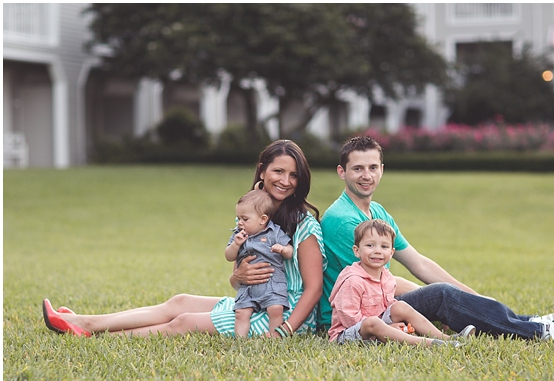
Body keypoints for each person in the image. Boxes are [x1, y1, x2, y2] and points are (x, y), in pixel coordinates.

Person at [319, 135, 554, 341]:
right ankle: (538, 330)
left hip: (382, 306)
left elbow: (419, 263)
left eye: (372, 167)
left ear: (382, 169)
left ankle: (527, 320)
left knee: (450, 295)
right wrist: (448, 298)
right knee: (442, 295)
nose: (366, 176)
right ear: (342, 172)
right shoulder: (343, 219)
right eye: (357, 169)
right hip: (355, 318)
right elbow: (377, 283)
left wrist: (471, 296)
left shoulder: (376, 212)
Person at [41, 141, 323, 340]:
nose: (286, 181)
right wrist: (238, 275)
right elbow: (237, 283)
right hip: (253, 302)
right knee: (180, 301)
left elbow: (313, 289)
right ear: (262, 171)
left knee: (184, 321)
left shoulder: (304, 224)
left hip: (285, 316)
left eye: (294, 175)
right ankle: (85, 322)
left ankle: (91, 335)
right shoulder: (254, 217)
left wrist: (285, 330)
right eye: (278, 171)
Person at [328, 218, 457, 347]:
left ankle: (445, 337)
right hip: (349, 332)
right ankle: (427, 343)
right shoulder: (353, 281)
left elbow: (388, 308)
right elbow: (349, 319)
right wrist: (387, 327)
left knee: (400, 306)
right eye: (370, 245)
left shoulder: (387, 277)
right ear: (357, 251)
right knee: (372, 322)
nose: (377, 251)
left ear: (391, 253)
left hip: (377, 324)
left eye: (384, 246)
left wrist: (390, 325)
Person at [225, 189, 293, 339]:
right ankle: (239, 340)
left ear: (262, 219)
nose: (240, 223)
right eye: (238, 218)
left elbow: (290, 251)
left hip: (272, 282)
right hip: (247, 286)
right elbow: (229, 256)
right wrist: (236, 245)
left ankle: (275, 337)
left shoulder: (274, 233)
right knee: (241, 312)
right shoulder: (238, 234)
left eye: (244, 219)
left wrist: (282, 249)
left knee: (275, 308)